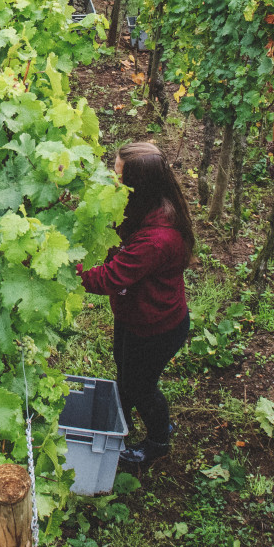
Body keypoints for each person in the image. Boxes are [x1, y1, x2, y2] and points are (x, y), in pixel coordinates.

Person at [79, 141, 192, 467]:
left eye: (118, 176)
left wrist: (67, 266)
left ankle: (158, 440)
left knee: (141, 386)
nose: (111, 179)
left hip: (157, 327)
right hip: (134, 314)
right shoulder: (143, 206)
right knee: (125, 370)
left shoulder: (157, 239)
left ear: (137, 186)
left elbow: (109, 278)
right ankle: (121, 421)